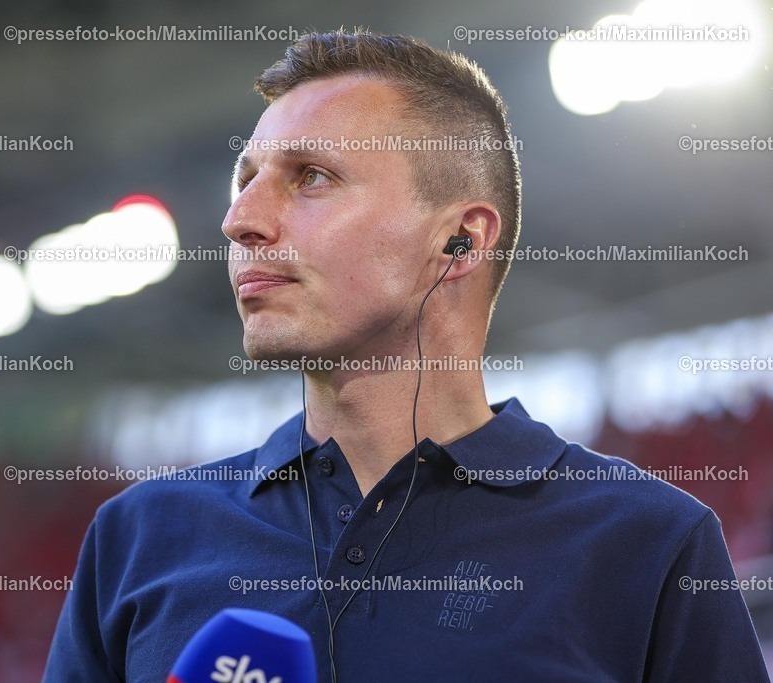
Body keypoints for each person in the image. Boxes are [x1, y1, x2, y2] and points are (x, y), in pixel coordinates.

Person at [44, 29, 769, 681]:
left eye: (311, 177)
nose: (240, 221)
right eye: (245, 181)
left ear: (461, 241)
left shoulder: (649, 544)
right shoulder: (138, 538)